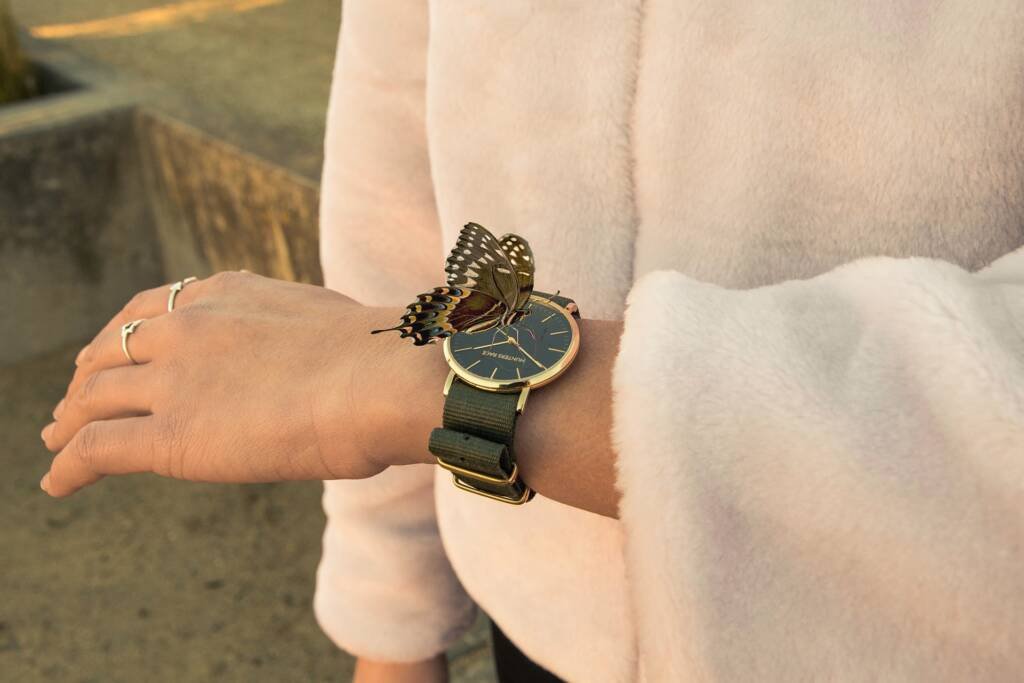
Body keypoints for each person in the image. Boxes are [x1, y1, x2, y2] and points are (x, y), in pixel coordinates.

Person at [39, 1, 1024, 680]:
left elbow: (384, 363)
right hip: (533, 619)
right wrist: (390, 616)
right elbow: (396, 187)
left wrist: (417, 383)